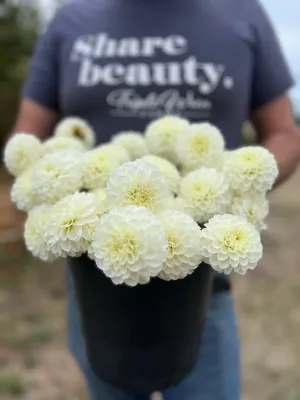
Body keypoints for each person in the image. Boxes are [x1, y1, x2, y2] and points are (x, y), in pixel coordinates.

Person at [11, 0, 300, 399]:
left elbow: (284, 133)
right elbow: (27, 140)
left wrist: (236, 185)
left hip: (202, 288)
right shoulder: (71, 18)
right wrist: (45, 184)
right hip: (94, 289)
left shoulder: (242, 13)